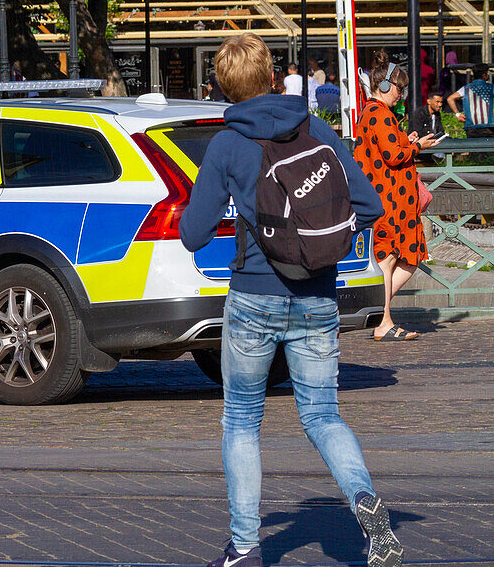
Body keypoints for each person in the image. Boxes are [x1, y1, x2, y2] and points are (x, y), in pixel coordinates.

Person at [179, 33, 402, 567]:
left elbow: (192, 233)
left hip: (254, 297)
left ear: (221, 89)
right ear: (274, 77)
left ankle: (246, 548)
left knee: (241, 418)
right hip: (318, 299)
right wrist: (321, 245)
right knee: (324, 415)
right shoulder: (315, 128)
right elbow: (368, 205)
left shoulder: (227, 145)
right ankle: (368, 508)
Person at [355, 65, 443, 343]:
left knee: (402, 257)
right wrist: (419, 147)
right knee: (390, 258)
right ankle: (382, 318)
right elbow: (393, 156)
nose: (401, 94)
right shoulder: (378, 113)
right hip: (389, 200)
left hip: (394, 198)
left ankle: (379, 313)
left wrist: (407, 140)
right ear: (383, 87)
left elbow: (389, 149)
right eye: (399, 88)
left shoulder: (377, 114)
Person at [445, 63, 494, 138]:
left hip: (470, 126)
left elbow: (450, 98)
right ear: (484, 75)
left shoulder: (466, 88)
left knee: (473, 148)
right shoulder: (491, 87)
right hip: (488, 125)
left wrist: (458, 114)